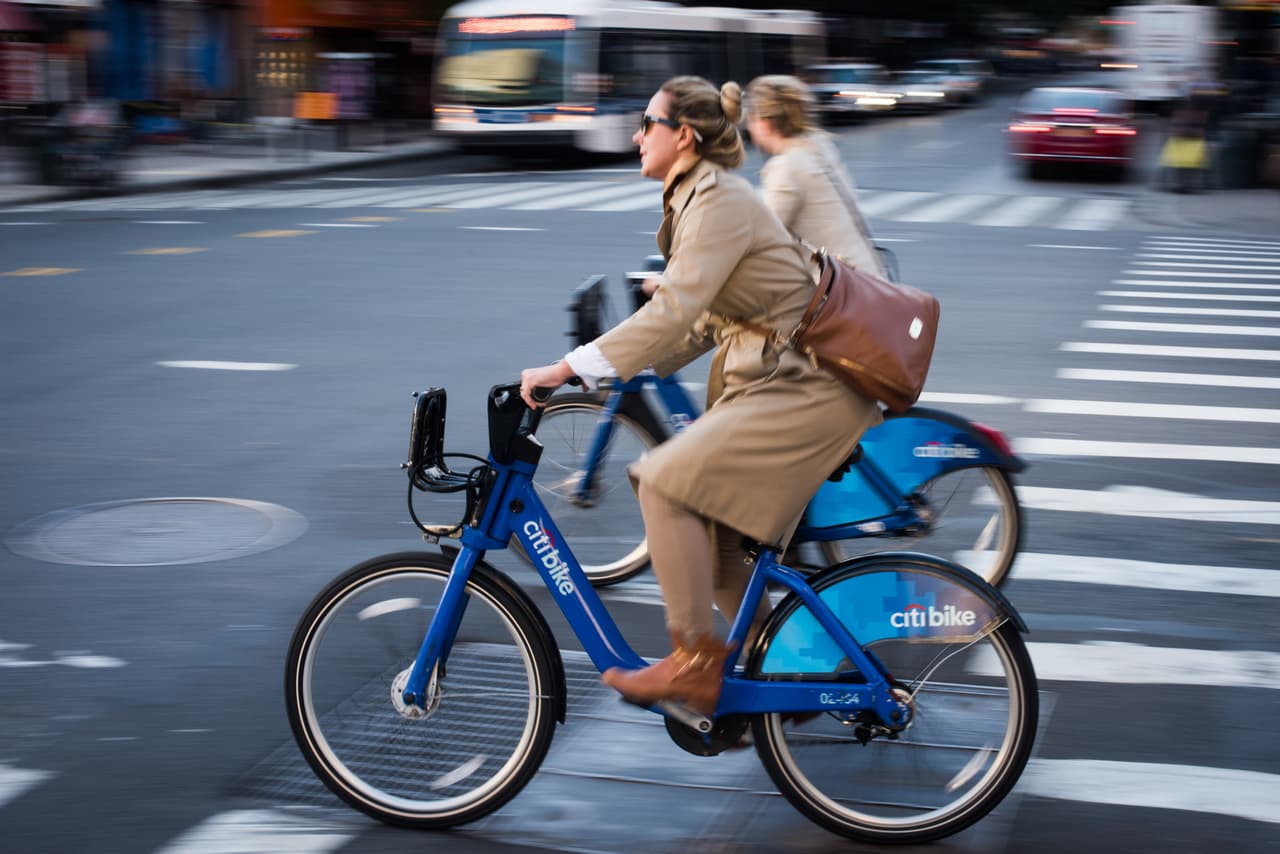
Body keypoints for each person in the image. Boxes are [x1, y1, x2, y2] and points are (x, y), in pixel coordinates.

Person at [518, 76, 882, 716]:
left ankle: (694, 664)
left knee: (661, 482)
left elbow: (677, 312)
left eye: (646, 123)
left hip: (809, 385)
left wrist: (571, 364)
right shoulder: (696, 199)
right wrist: (601, 368)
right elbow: (700, 326)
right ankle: (778, 675)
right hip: (783, 378)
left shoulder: (717, 200)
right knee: (716, 549)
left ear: (682, 135)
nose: (635, 135)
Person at [744, 75, 888, 278]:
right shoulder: (819, 146)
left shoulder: (786, 167)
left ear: (764, 123)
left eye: (750, 119)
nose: (749, 127)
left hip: (842, 295)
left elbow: (760, 239)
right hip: (868, 277)